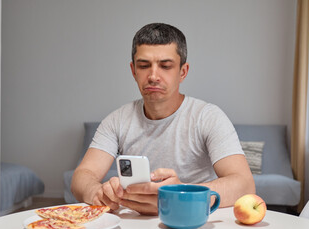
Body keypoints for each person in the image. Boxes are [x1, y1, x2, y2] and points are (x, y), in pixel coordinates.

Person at [71, 23, 255, 215]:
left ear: (183, 72)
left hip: (192, 222)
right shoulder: (117, 120)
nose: (153, 76)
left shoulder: (208, 117)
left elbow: (244, 184)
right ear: (133, 71)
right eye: (144, 66)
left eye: (165, 66)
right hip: (134, 226)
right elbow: (82, 176)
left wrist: (180, 195)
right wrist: (97, 192)